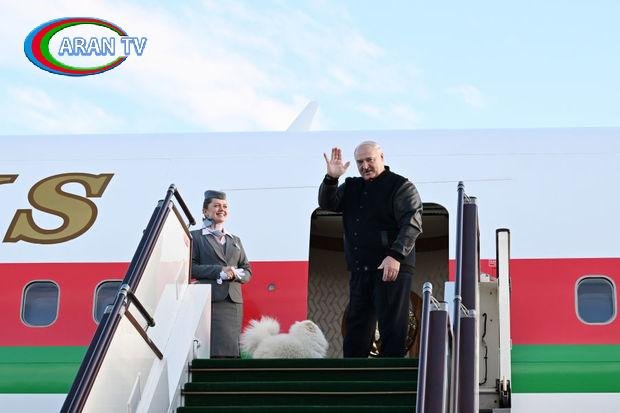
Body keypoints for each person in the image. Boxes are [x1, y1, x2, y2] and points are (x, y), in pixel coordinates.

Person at [318, 141, 422, 357]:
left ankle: (389, 377)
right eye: (360, 162)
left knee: (392, 329)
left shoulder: (401, 186)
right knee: (356, 331)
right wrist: (331, 179)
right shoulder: (351, 186)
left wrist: (395, 255)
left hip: (391, 268)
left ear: (381, 157)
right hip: (360, 269)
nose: (364, 166)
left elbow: (412, 223)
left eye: (369, 160)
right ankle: (353, 376)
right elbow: (328, 203)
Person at [191, 190, 252, 358]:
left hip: (233, 302)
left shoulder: (235, 240)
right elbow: (191, 268)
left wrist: (235, 274)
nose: (222, 209)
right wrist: (219, 271)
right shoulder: (195, 237)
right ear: (205, 211)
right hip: (210, 300)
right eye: (217, 206)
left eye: (225, 206)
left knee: (232, 350)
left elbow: (247, 270)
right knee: (213, 350)